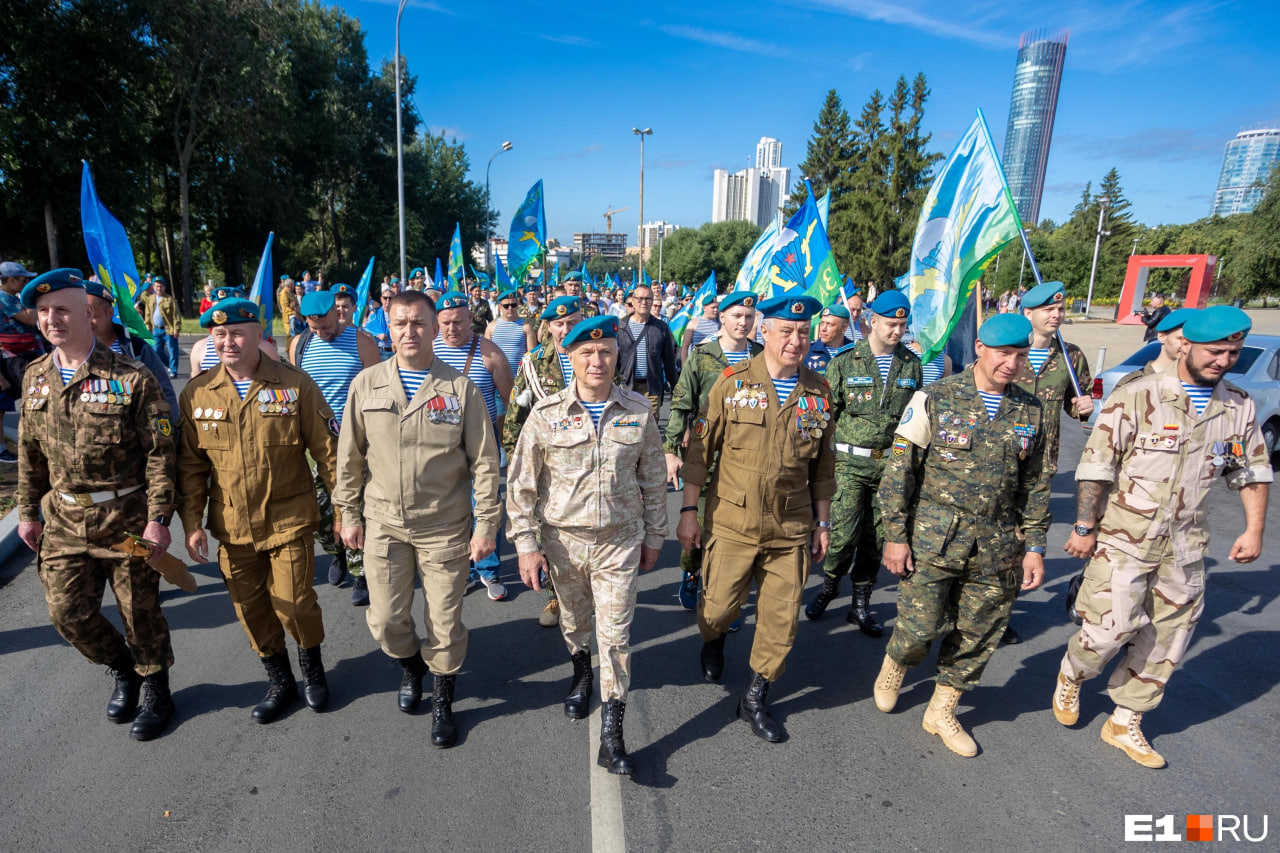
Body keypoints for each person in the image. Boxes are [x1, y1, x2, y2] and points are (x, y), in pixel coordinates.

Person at [1053, 305, 1270, 769]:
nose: (1224, 360)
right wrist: (1086, 527)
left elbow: (1251, 471)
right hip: (1125, 538)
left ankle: (1125, 719)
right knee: (1108, 632)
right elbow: (1096, 467)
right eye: (1216, 351)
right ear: (1186, 345)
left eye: (1233, 352)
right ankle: (1074, 673)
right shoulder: (1139, 396)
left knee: (1169, 638)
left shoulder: (1238, 406)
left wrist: (1254, 530)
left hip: (1186, 545)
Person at [871, 313, 1050, 758]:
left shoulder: (1030, 410)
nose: (1012, 363)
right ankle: (897, 664)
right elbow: (899, 472)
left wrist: (1035, 547)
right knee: (919, 627)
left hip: (996, 547)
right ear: (980, 350)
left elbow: (1036, 484)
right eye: (1004, 353)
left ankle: (942, 709)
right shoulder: (934, 397)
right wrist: (895, 535)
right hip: (936, 538)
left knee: (978, 633)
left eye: (1021, 355)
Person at [334, 290, 501, 749]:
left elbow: (485, 462)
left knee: (445, 622)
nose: (409, 332)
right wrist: (348, 513)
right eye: (400, 323)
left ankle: (444, 696)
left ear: (433, 329)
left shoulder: (460, 389)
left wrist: (485, 524)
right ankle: (410, 667)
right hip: (384, 522)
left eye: (419, 323)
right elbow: (349, 457)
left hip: (444, 523)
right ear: (387, 327)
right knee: (387, 619)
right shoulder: (366, 385)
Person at [15, 269, 178, 741]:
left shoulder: (131, 376)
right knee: (67, 614)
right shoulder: (35, 378)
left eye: (61, 309)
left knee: (139, 612)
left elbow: (160, 453)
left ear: (88, 313)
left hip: (125, 517)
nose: (51, 320)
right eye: (43, 313)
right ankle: (123, 669)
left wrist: (159, 518)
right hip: (64, 519)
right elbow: (29, 453)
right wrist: (27, 512)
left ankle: (155, 688)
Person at [507, 315, 667, 775]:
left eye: (606, 353)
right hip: (563, 543)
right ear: (571, 358)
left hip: (619, 541)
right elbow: (521, 486)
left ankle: (613, 732)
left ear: (617, 357)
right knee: (576, 622)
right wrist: (525, 546)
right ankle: (581, 673)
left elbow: (654, 478)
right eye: (587, 354)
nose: (597, 361)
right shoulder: (546, 414)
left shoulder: (638, 411)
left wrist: (655, 535)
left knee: (615, 635)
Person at [677, 293, 836, 743]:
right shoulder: (731, 384)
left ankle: (754, 697)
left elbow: (823, 468)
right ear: (764, 332)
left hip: (791, 527)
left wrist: (822, 524)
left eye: (803, 333)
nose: (795, 340)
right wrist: (689, 512)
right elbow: (699, 456)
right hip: (732, 521)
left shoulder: (819, 394)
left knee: (781, 621)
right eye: (786, 331)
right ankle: (714, 637)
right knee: (718, 609)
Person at [177, 297, 339, 724]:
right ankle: (280, 681)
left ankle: (312, 669)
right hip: (231, 525)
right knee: (250, 610)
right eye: (219, 335)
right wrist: (192, 523)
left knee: (294, 603)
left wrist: (345, 510)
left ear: (258, 335)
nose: (227, 342)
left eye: (236, 334)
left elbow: (329, 454)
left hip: (288, 518)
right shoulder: (197, 393)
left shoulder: (295, 385)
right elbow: (191, 467)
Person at [806, 291, 923, 634]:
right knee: (842, 536)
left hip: (888, 466)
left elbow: (910, 423)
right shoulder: (844, 361)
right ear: (873, 321)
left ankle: (861, 604)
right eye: (891, 324)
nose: (897, 331)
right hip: (848, 463)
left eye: (902, 325)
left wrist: (900, 465)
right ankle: (829, 586)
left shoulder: (911, 364)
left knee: (875, 538)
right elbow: (828, 416)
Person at [1004, 279, 1093, 645]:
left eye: (1060, 310)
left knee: (1022, 541)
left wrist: (1085, 409)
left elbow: (1078, 406)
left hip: (1040, 467)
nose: (1056, 315)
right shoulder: (1010, 352)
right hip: (1003, 460)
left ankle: (1001, 612)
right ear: (1028, 314)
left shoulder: (1070, 358)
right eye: (1048, 310)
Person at [664, 291, 761, 611]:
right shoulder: (702, 357)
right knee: (698, 525)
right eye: (736, 316)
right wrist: (671, 450)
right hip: (706, 456)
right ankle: (691, 573)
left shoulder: (762, 356)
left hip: (749, 460)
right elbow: (680, 405)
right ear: (722, 318)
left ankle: (727, 598)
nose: (743, 322)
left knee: (738, 532)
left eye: (749, 317)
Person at [290, 291, 380, 604]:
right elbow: (295, 392)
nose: (321, 333)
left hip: (355, 439)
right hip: (315, 442)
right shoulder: (301, 343)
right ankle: (336, 550)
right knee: (317, 508)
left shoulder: (361, 341)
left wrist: (374, 438)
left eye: (326, 325)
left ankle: (362, 573)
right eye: (314, 328)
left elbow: (377, 390)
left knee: (356, 506)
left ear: (336, 313)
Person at [502, 295, 584, 627]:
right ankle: (557, 595)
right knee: (550, 532)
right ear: (547, 327)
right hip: (549, 466)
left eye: (572, 322)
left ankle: (587, 593)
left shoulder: (597, 353)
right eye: (559, 324)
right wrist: (517, 465)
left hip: (589, 464)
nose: (565, 330)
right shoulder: (534, 363)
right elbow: (515, 418)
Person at [432, 291, 515, 600]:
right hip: (439, 443)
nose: (453, 328)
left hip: (482, 442)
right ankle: (463, 570)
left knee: (485, 505)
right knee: (450, 508)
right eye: (446, 323)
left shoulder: (490, 353)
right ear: (437, 323)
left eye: (458, 321)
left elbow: (509, 402)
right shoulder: (427, 352)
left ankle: (489, 571)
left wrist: (507, 443)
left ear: (471, 319)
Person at [84, 282, 179, 417]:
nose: (86, 321)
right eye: (81, 315)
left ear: (109, 312)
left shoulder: (136, 349)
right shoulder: (71, 352)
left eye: (92, 315)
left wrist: (170, 429)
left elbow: (164, 391)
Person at [188, 286, 280, 377]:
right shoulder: (200, 349)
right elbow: (196, 388)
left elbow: (278, 381)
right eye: (217, 310)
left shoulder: (263, 348)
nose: (228, 343)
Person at [616, 283, 677, 419]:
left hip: (652, 388)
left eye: (648, 299)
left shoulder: (661, 328)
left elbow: (669, 361)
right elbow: (613, 360)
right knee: (627, 427)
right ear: (633, 301)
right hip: (626, 387)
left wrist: (674, 387)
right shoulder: (620, 326)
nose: (644, 302)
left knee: (650, 430)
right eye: (640, 299)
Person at [1114, 307, 1195, 389]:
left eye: (1197, 342)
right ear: (1162, 336)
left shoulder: (1203, 385)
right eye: (1181, 339)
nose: (1189, 347)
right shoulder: (1134, 385)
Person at [136, 276, 182, 378]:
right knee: (156, 350)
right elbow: (147, 314)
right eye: (156, 286)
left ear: (164, 287)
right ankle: (170, 366)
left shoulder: (170, 300)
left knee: (172, 351)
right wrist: (147, 325)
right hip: (156, 329)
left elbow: (176, 315)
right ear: (153, 287)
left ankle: (173, 371)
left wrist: (176, 328)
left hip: (168, 329)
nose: (159, 288)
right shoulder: (150, 299)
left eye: (161, 286)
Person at [486, 288, 537, 377]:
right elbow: (486, 355)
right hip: (497, 377)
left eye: (513, 305)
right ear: (500, 307)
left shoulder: (526, 327)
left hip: (520, 376)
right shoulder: (491, 327)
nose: (510, 308)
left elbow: (532, 355)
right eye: (506, 306)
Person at [803, 304, 854, 374]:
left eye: (830, 324)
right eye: (822, 323)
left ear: (844, 328)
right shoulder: (806, 351)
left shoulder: (854, 350)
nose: (823, 329)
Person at [681, 298, 720, 362]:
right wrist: (684, 366)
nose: (716, 310)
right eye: (713, 307)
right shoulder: (693, 323)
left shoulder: (720, 323)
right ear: (704, 308)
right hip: (697, 363)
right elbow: (685, 346)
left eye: (717, 307)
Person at [363, 289, 394, 359]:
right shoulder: (375, 313)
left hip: (395, 351)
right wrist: (377, 334)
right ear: (381, 299)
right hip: (380, 351)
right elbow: (367, 328)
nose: (387, 300)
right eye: (385, 298)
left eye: (390, 298)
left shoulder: (398, 314)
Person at [277, 275, 300, 340]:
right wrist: (294, 313)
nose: (294, 286)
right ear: (289, 285)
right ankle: (289, 349)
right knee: (290, 335)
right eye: (293, 285)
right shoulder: (284, 293)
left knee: (294, 335)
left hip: (294, 316)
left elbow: (295, 302)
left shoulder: (291, 292)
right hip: (288, 318)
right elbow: (285, 308)